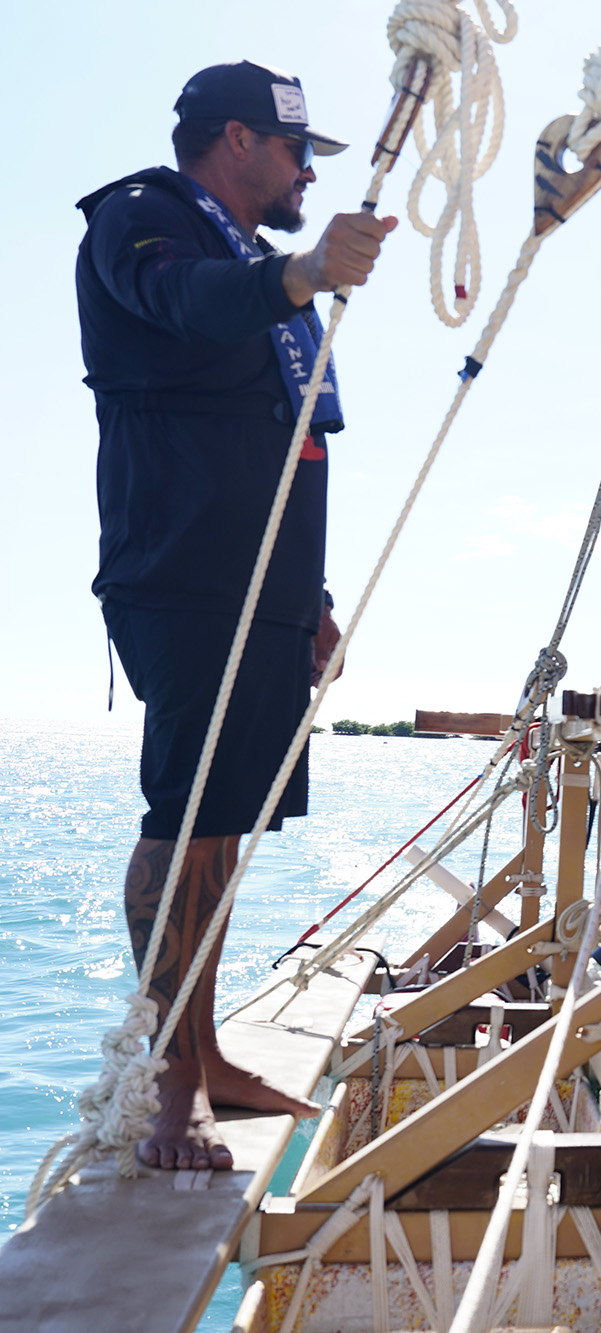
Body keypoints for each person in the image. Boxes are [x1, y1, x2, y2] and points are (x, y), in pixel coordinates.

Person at [78, 61, 395, 1170]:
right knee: (183, 814)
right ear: (234, 140)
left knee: (226, 826)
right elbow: (179, 302)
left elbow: (281, 436)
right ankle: (170, 1086)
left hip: (263, 593)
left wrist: (309, 599)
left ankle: (205, 1050)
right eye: (297, 151)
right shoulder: (142, 220)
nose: (310, 172)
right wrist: (301, 272)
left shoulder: (256, 263)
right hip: (184, 575)